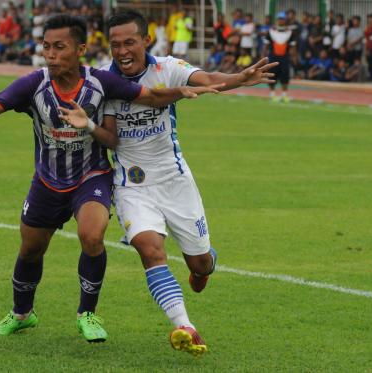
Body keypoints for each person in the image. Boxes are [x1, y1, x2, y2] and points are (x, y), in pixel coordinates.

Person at [0, 14, 215, 343]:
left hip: (91, 177)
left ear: (79, 49)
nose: (51, 54)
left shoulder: (100, 82)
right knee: (31, 249)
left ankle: (87, 314)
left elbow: (148, 96)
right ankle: (22, 314)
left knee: (92, 236)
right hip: (47, 180)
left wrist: (185, 89)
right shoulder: (32, 84)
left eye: (59, 47)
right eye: (46, 47)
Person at [77, 9, 274, 356]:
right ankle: (185, 326)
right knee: (150, 249)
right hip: (132, 185)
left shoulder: (166, 67)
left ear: (146, 40)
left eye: (129, 42)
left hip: (175, 181)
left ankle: (204, 265)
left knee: (199, 263)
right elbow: (111, 138)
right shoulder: (105, 82)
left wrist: (239, 79)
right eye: (115, 44)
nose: (122, 51)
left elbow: (206, 76)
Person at [264, 11, 296, 103]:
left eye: (282, 19)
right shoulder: (270, 31)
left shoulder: (290, 32)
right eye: (279, 19)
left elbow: (293, 46)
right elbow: (266, 46)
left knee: (285, 76)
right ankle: (272, 94)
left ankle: (284, 95)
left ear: (285, 20)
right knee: (272, 75)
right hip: (273, 56)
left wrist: (294, 57)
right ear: (277, 20)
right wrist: (263, 57)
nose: (281, 21)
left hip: (285, 57)